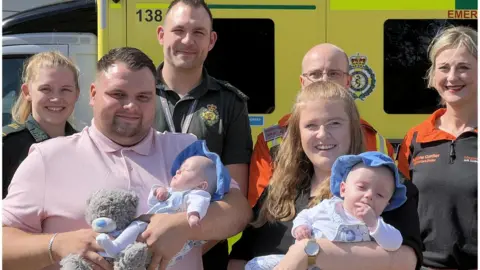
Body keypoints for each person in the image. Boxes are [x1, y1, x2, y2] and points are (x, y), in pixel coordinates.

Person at [2, 47, 252, 270]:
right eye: (118, 95)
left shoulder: (185, 148)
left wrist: (185, 226)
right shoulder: (48, 157)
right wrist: (58, 244)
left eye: (142, 97)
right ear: (92, 93)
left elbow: (239, 211)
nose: (131, 106)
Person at [228, 81, 421, 270]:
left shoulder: (382, 184)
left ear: (353, 129)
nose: (322, 134)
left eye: (334, 123)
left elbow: (406, 260)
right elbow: (240, 256)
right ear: (298, 133)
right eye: (311, 125)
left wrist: (310, 253)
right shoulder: (278, 188)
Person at [155, 0, 253, 267]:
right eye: (179, 30)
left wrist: (185, 250)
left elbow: (235, 198)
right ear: (161, 34)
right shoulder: (138, 97)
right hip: (140, 251)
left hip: (207, 255)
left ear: (211, 41)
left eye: (198, 32)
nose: (188, 40)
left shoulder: (230, 103)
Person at [248, 43, 394, 207]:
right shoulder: (271, 141)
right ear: (302, 82)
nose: (324, 80)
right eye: (315, 74)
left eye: (333, 74)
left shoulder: (376, 141)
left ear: (348, 81)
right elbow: (260, 208)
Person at [397, 25, 477, 270]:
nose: (452, 77)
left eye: (464, 67)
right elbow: (399, 207)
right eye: (444, 68)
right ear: (433, 75)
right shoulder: (416, 137)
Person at [244, 151, 407, 270]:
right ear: (343, 189)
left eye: (379, 195)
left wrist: (373, 223)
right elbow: (305, 215)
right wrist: (300, 228)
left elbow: (394, 244)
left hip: (339, 265)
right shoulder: (329, 206)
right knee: (255, 265)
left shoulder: (377, 224)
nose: (369, 196)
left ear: (387, 204)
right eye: (361, 187)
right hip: (304, 264)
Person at [96, 142, 230, 268]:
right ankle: (115, 244)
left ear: (201, 185)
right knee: (135, 226)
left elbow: (198, 204)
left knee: (150, 246)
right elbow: (153, 205)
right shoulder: (172, 192)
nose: (178, 171)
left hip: (168, 238)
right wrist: (158, 192)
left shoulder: (196, 194)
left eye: (186, 170)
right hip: (149, 224)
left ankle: (123, 251)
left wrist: (194, 215)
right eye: (179, 168)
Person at [3, 51, 80, 199]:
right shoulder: (7, 146)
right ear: (27, 92)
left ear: (76, 94)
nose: (56, 98)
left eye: (65, 89)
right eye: (46, 89)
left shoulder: (84, 146)